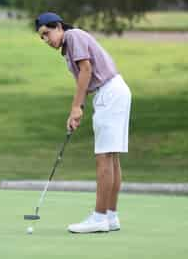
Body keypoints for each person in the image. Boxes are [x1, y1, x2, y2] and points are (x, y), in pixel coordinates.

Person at [35, 12, 132, 233]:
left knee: (104, 158)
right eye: (42, 37)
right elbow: (84, 82)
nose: (46, 40)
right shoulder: (67, 50)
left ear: (59, 27)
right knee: (111, 157)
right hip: (111, 92)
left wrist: (76, 107)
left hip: (110, 93)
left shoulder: (73, 36)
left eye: (47, 33)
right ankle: (110, 216)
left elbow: (86, 70)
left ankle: (99, 217)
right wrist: (79, 110)